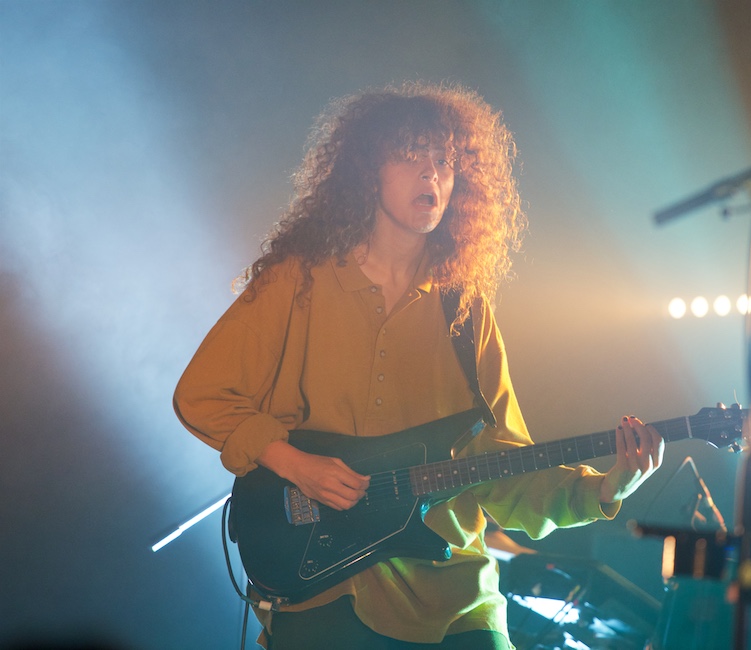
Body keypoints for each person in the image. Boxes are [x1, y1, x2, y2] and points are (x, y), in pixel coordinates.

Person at [173, 81, 664, 649]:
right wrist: (294, 463)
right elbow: (203, 393)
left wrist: (608, 486)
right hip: (329, 585)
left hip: (456, 594)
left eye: (443, 162)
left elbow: (500, 462)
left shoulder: (464, 305)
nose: (430, 175)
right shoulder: (298, 280)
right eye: (410, 156)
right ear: (365, 171)